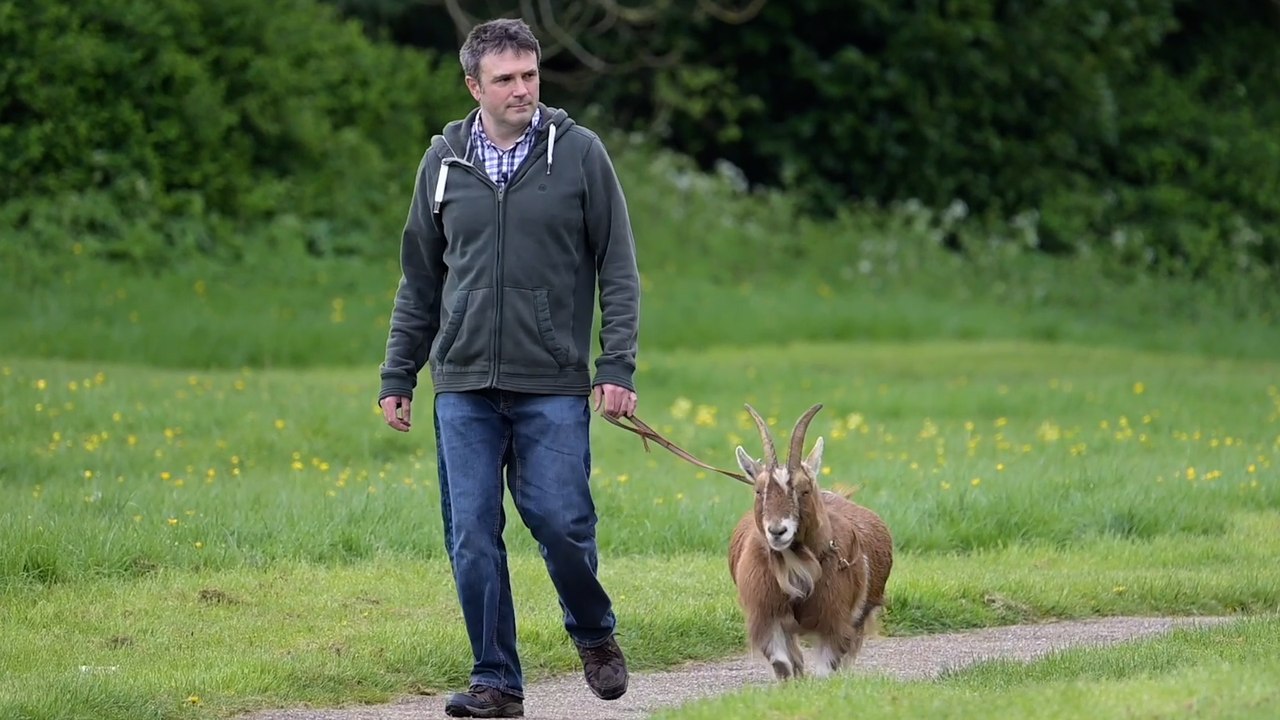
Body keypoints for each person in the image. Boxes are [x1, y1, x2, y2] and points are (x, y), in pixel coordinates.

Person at [376, 17, 641, 720]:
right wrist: (399, 373)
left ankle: (593, 631)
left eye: (530, 75)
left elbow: (618, 266)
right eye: (506, 79)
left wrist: (616, 364)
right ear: (474, 86)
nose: (522, 89)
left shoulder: (579, 154)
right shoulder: (443, 163)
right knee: (471, 537)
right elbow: (419, 279)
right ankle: (496, 681)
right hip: (461, 383)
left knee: (560, 521)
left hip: (551, 381)